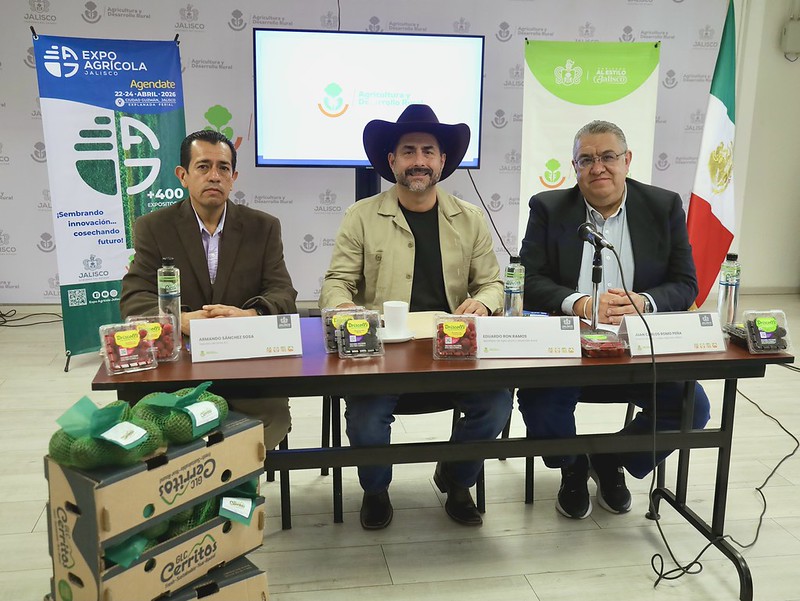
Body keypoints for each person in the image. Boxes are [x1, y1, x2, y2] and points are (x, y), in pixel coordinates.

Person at [320, 104, 513, 529]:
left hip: (453, 350)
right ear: (392, 161)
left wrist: (483, 302)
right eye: (409, 151)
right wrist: (343, 306)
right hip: (381, 353)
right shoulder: (361, 215)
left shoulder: (470, 219)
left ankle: (457, 478)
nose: (419, 161)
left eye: (428, 151)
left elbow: (493, 284)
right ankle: (375, 490)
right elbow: (337, 282)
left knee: (496, 403)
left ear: (443, 161)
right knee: (366, 419)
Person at [517, 120, 711, 520]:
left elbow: (685, 283)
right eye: (586, 159)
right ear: (574, 166)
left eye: (608, 157)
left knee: (693, 408)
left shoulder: (663, 206)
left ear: (627, 160)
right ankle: (572, 466)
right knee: (539, 404)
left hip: (637, 347)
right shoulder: (548, 208)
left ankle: (610, 460)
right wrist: (579, 303)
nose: (598, 167)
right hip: (568, 348)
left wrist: (644, 301)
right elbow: (528, 280)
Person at [121, 130, 298, 450]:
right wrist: (179, 320)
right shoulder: (154, 227)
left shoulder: (263, 227)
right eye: (203, 166)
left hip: (246, 369)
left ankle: (214, 472)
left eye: (223, 168)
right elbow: (134, 298)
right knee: (150, 425)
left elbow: (283, 292)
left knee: (273, 419)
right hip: (179, 371)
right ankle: (211, 472)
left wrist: (250, 315)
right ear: (183, 175)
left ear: (233, 178)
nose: (214, 176)